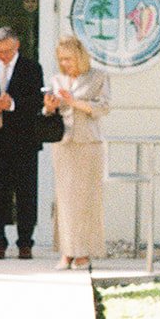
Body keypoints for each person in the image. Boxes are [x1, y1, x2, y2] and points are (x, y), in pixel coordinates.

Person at [0, 25, 45, 260]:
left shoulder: (31, 68)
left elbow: (36, 102)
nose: (2, 56)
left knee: (25, 195)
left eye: (7, 51)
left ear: (17, 46)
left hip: (23, 142)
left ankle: (25, 243)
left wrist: (11, 105)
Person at [42, 35, 113, 269]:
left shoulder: (98, 77)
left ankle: (84, 252)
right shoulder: (57, 79)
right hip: (63, 145)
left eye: (69, 59)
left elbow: (103, 108)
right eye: (61, 60)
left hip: (88, 145)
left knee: (87, 199)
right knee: (65, 200)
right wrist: (49, 107)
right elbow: (50, 113)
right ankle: (67, 251)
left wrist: (74, 102)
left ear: (80, 57)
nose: (65, 64)